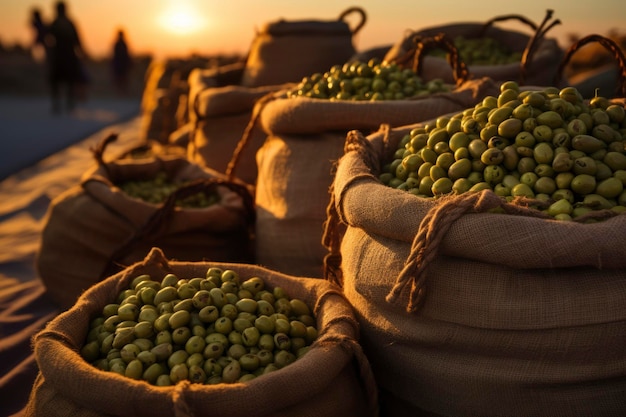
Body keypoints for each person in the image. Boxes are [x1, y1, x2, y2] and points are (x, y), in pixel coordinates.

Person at [45, 1, 88, 113]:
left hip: (62, 55)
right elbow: (77, 40)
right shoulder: (65, 23)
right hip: (64, 55)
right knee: (65, 81)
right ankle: (63, 103)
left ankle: (63, 103)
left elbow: (48, 38)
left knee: (64, 81)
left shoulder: (58, 23)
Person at [111, 28, 133, 95]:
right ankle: (119, 92)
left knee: (123, 78)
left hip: (123, 63)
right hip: (119, 63)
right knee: (119, 78)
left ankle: (122, 92)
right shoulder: (118, 44)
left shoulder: (123, 44)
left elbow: (127, 54)